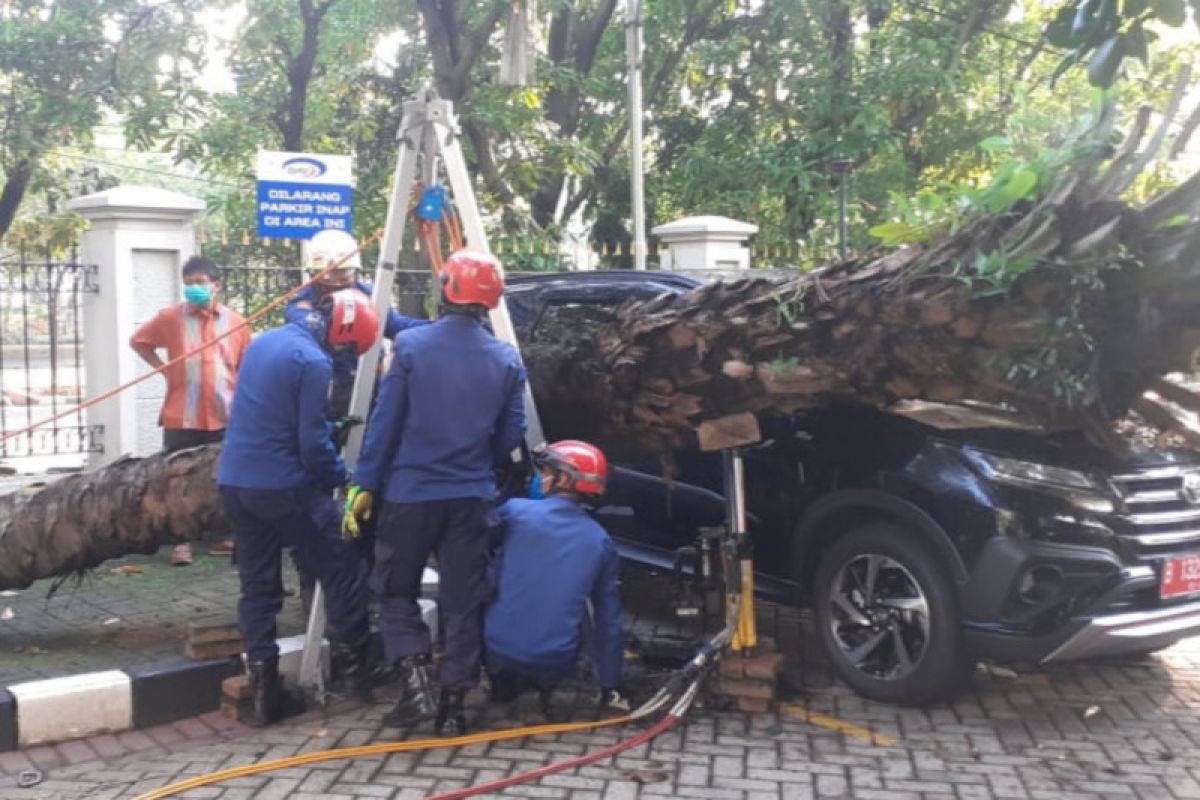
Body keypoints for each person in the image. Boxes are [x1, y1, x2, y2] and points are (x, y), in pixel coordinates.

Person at [344, 250, 526, 736]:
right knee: (462, 600)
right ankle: (452, 705)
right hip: (472, 498)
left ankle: (417, 678)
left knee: (394, 589)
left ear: (447, 290)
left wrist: (364, 484)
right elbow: (510, 439)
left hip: (410, 494)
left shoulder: (412, 346)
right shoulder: (507, 360)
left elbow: (385, 424)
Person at [217, 289, 381, 726]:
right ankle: (358, 673)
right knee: (341, 562)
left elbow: (270, 411)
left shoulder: (266, 340)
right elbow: (310, 444)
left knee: (258, 586)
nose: (345, 357)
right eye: (349, 348)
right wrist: (342, 481)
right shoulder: (314, 362)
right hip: (283, 486)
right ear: (341, 334)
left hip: (235, 481)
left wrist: (327, 425)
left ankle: (264, 692)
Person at [484, 440, 627, 717]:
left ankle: (499, 687)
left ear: (563, 478)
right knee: (590, 604)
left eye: (546, 471)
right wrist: (610, 684)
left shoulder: (515, 511)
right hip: (554, 660)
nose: (540, 477)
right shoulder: (600, 542)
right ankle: (544, 690)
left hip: (496, 649)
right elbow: (608, 621)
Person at [130, 255, 250, 566]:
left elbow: (246, 364)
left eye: (201, 283)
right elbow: (139, 341)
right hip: (182, 413)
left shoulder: (235, 322)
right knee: (175, 478)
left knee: (222, 476)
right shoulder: (170, 318)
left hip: (225, 413)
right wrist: (164, 369)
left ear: (216, 285)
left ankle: (221, 535)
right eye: (189, 284)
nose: (195, 289)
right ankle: (178, 542)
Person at [285, 229, 425, 421]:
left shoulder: (369, 295)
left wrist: (438, 326)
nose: (337, 281)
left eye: (343, 274)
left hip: (369, 383)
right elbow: (303, 325)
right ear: (314, 273)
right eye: (329, 275)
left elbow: (395, 324)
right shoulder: (303, 303)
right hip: (327, 388)